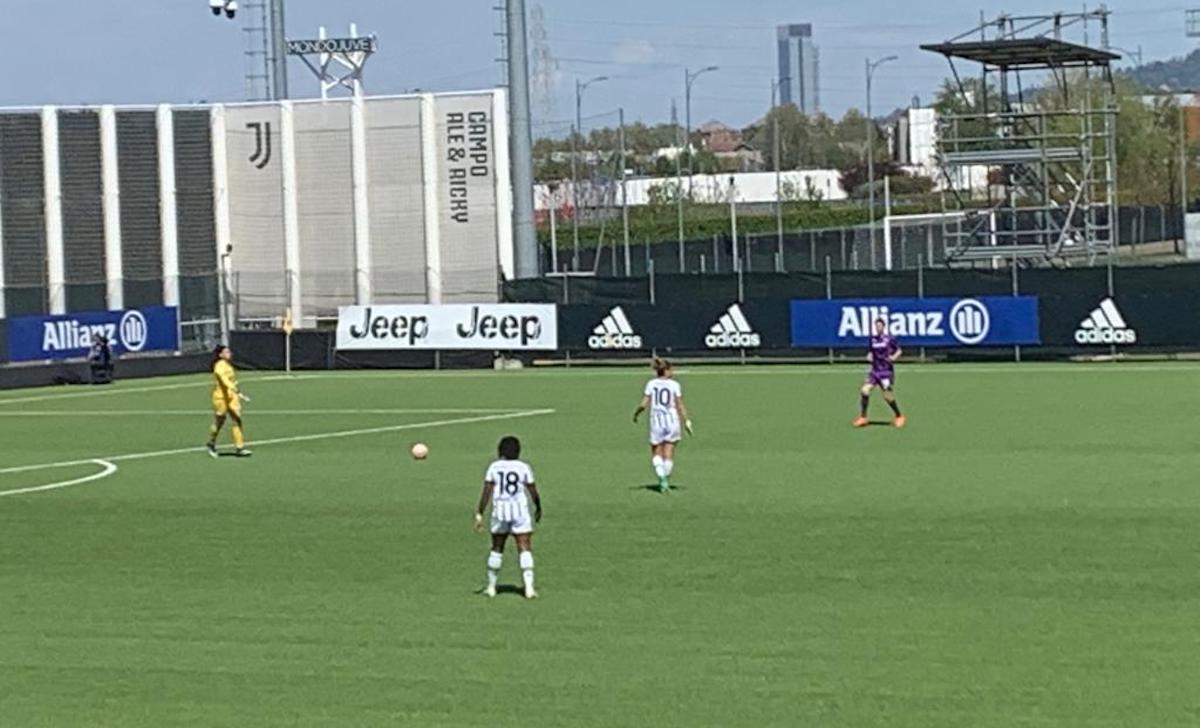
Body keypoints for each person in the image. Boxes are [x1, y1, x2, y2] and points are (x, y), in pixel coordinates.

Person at [474, 436, 541, 599]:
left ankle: (491, 587)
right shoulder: (524, 467)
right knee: (524, 546)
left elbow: (487, 491)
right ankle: (529, 589)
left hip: (500, 511)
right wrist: (538, 506)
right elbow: (532, 490)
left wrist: (480, 512)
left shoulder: (494, 467)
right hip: (520, 511)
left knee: (497, 547)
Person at [633, 358, 692, 493]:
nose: (673, 371)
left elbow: (643, 404)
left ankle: (661, 478)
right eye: (671, 369)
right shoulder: (674, 385)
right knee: (669, 452)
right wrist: (686, 421)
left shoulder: (651, 384)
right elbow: (680, 404)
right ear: (666, 370)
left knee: (656, 451)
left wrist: (636, 414)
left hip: (657, 421)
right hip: (672, 421)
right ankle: (665, 479)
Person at [854, 318, 906, 429]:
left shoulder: (889, 339)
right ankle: (863, 417)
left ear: (883, 326)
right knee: (864, 391)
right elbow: (871, 352)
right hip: (875, 371)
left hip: (886, 371)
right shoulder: (872, 339)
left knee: (887, 396)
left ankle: (899, 416)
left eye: (880, 326)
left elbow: (899, 350)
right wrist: (869, 356)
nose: (878, 328)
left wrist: (894, 357)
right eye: (876, 326)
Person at [206, 345, 252, 457]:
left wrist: (235, 391)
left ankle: (239, 447)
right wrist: (234, 388)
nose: (229, 353)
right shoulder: (219, 366)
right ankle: (211, 443)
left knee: (237, 419)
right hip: (221, 398)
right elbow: (224, 380)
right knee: (219, 422)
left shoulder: (229, 365)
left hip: (232, 397)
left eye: (229, 351)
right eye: (226, 352)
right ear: (220, 355)